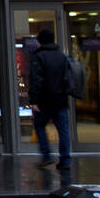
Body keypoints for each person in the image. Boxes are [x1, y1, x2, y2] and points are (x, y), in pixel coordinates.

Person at [29, 28, 71, 170]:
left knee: (40, 125)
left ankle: (46, 155)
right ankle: (65, 159)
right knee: (63, 130)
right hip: (61, 99)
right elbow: (68, 78)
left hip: (44, 100)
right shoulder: (62, 56)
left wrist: (34, 100)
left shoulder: (39, 57)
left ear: (40, 41)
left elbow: (36, 80)